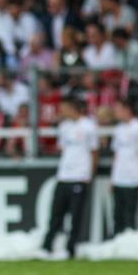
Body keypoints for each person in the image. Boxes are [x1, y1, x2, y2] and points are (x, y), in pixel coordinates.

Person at [41, 99, 98, 259]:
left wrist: (90, 175)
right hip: (63, 175)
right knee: (56, 214)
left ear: (74, 108)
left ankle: (71, 248)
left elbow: (94, 152)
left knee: (76, 216)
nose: (61, 111)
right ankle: (47, 246)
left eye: (64, 108)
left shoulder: (89, 126)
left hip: (80, 176)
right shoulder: (64, 127)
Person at [110, 101, 138, 235]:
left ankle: (129, 245)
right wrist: (113, 178)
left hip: (133, 178)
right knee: (117, 215)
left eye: (118, 109)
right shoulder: (118, 129)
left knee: (130, 215)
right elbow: (116, 155)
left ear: (127, 109)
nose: (116, 113)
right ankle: (116, 245)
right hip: (119, 178)